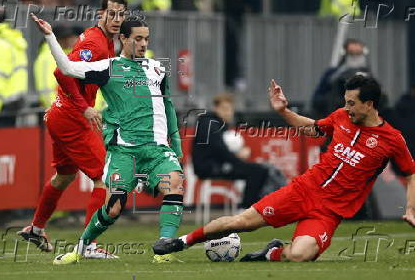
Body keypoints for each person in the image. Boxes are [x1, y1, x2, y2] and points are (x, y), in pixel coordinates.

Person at [153, 76, 415, 262]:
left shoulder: (392, 140)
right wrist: (283, 111)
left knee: (300, 255)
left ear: (369, 104)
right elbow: (311, 127)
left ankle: (272, 253)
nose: (346, 108)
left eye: (352, 103)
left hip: (329, 211)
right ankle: (181, 242)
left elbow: (411, 172)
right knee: (242, 222)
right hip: (304, 190)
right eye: (345, 102)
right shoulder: (340, 117)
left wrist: (411, 208)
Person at [32, 14, 185, 264]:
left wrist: (175, 144)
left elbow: (167, 106)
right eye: (137, 39)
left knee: (175, 184)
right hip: (124, 151)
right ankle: (81, 248)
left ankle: (164, 248)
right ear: (123, 39)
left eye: (146, 39)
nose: (143, 44)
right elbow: (67, 69)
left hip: (158, 149)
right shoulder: (108, 67)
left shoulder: (158, 69)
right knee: (113, 208)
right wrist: (50, 35)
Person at [17, 0, 127, 260]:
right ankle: (88, 245)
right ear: (100, 14)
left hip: (62, 115)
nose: (115, 19)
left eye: (120, 14)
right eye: (110, 13)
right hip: (71, 118)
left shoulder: (107, 42)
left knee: (64, 176)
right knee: (104, 178)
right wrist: (84, 107)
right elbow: (61, 72)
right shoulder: (95, 43)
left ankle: (37, 228)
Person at [192, 93, 277, 209]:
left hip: (218, 164)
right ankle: (245, 209)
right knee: (257, 171)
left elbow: (221, 150)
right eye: (224, 109)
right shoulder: (209, 124)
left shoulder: (217, 124)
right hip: (210, 167)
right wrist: (238, 159)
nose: (228, 112)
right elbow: (219, 150)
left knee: (260, 170)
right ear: (216, 108)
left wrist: (237, 158)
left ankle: (249, 207)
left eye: (230, 109)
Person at [312, 39, 371, 119]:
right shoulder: (332, 74)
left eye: (358, 53)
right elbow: (317, 100)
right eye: (351, 53)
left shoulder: (369, 76)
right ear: (345, 54)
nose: (355, 57)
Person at [34, 25, 79, 108]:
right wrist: (57, 110)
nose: (68, 41)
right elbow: (46, 89)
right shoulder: (48, 57)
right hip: (59, 112)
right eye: (64, 38)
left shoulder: (62, 55)